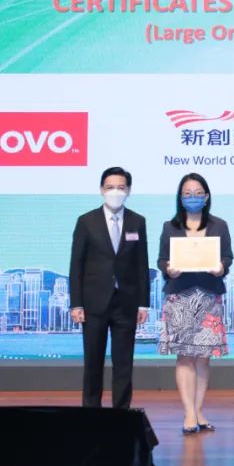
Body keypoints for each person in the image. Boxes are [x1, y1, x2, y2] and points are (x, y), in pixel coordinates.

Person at [157, 173, 232, 434]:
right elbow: (161, 260)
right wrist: (169, 269)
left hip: (209, 297)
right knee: (185, 357)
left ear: (207, 196)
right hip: (180, 297)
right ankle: (189, 412)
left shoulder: (219, 225)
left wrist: (221, 267)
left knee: (203, 358)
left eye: (198, 193)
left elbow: (227, 257)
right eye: (187, 193)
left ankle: (199, 410)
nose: (193, 197)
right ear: (180, 197)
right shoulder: (170, 226)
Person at [69, 167, 150, 408]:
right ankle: (91, 412)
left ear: (129, 191)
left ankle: (121, 414)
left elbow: (142, 264)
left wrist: (144, 303)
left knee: (124, 363)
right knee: (93, 361)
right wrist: (76, 304)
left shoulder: (137, 221)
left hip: (126, 302)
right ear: (101, 190)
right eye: (110, 187)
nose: (115, 192)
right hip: (93, 302)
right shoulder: (86, 221)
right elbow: (76, 265)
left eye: (121, 187)